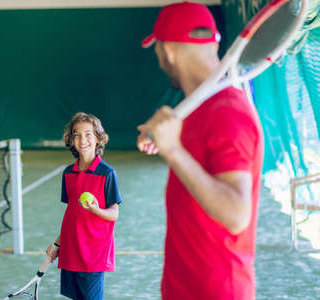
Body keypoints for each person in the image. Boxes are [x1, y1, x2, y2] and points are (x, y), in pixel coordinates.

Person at [137, 2, 264, 300]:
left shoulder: (228, 113)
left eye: (157, 51)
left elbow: (236, 214)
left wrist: (175, 152)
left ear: (167, 50)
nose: (158, 58)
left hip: (216, 291)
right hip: (187, 287)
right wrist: (162, 138)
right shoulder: (199, 107)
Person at [46, 112, 122, 300]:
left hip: (94, 255)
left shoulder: (107, 173)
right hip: (71, 252)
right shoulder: (67, 173)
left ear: (98, 138)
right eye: (77, 134)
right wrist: (57, 243)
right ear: (71, 140)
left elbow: (114, 214)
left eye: (88, 134)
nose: (82, 139)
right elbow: (72, 215)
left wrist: (95, 210)